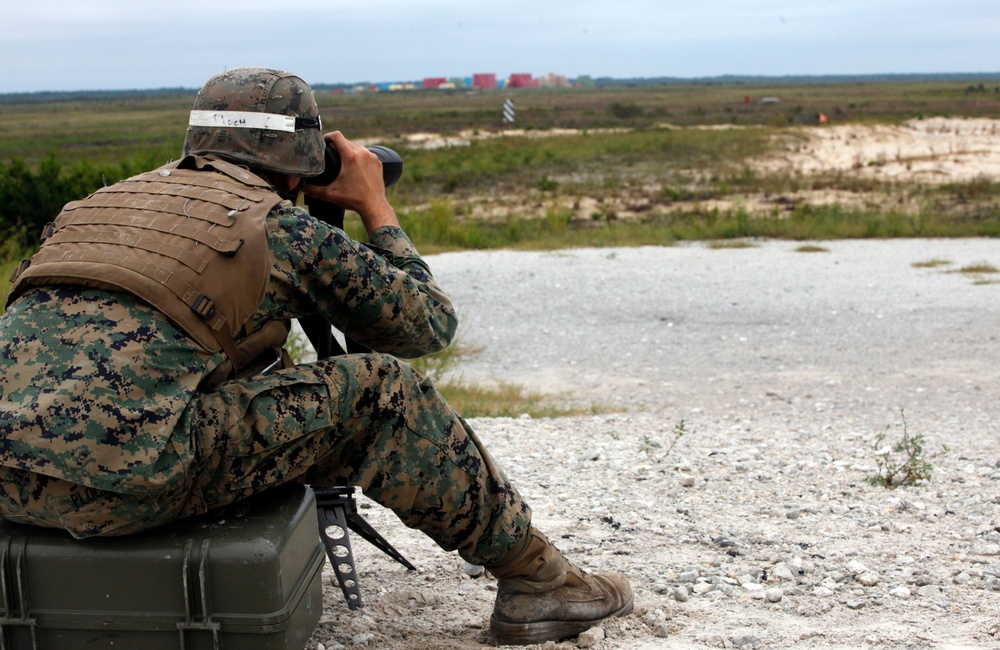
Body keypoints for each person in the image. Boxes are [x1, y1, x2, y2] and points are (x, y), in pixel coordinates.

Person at [0, 67, 632, 645]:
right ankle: (541, 582)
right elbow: (426, 325)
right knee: (383, 390)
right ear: (302, 166)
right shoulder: (278, 226)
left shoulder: (90, 209)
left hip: (7, 479)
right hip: (128, 483)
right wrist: (375, 207)